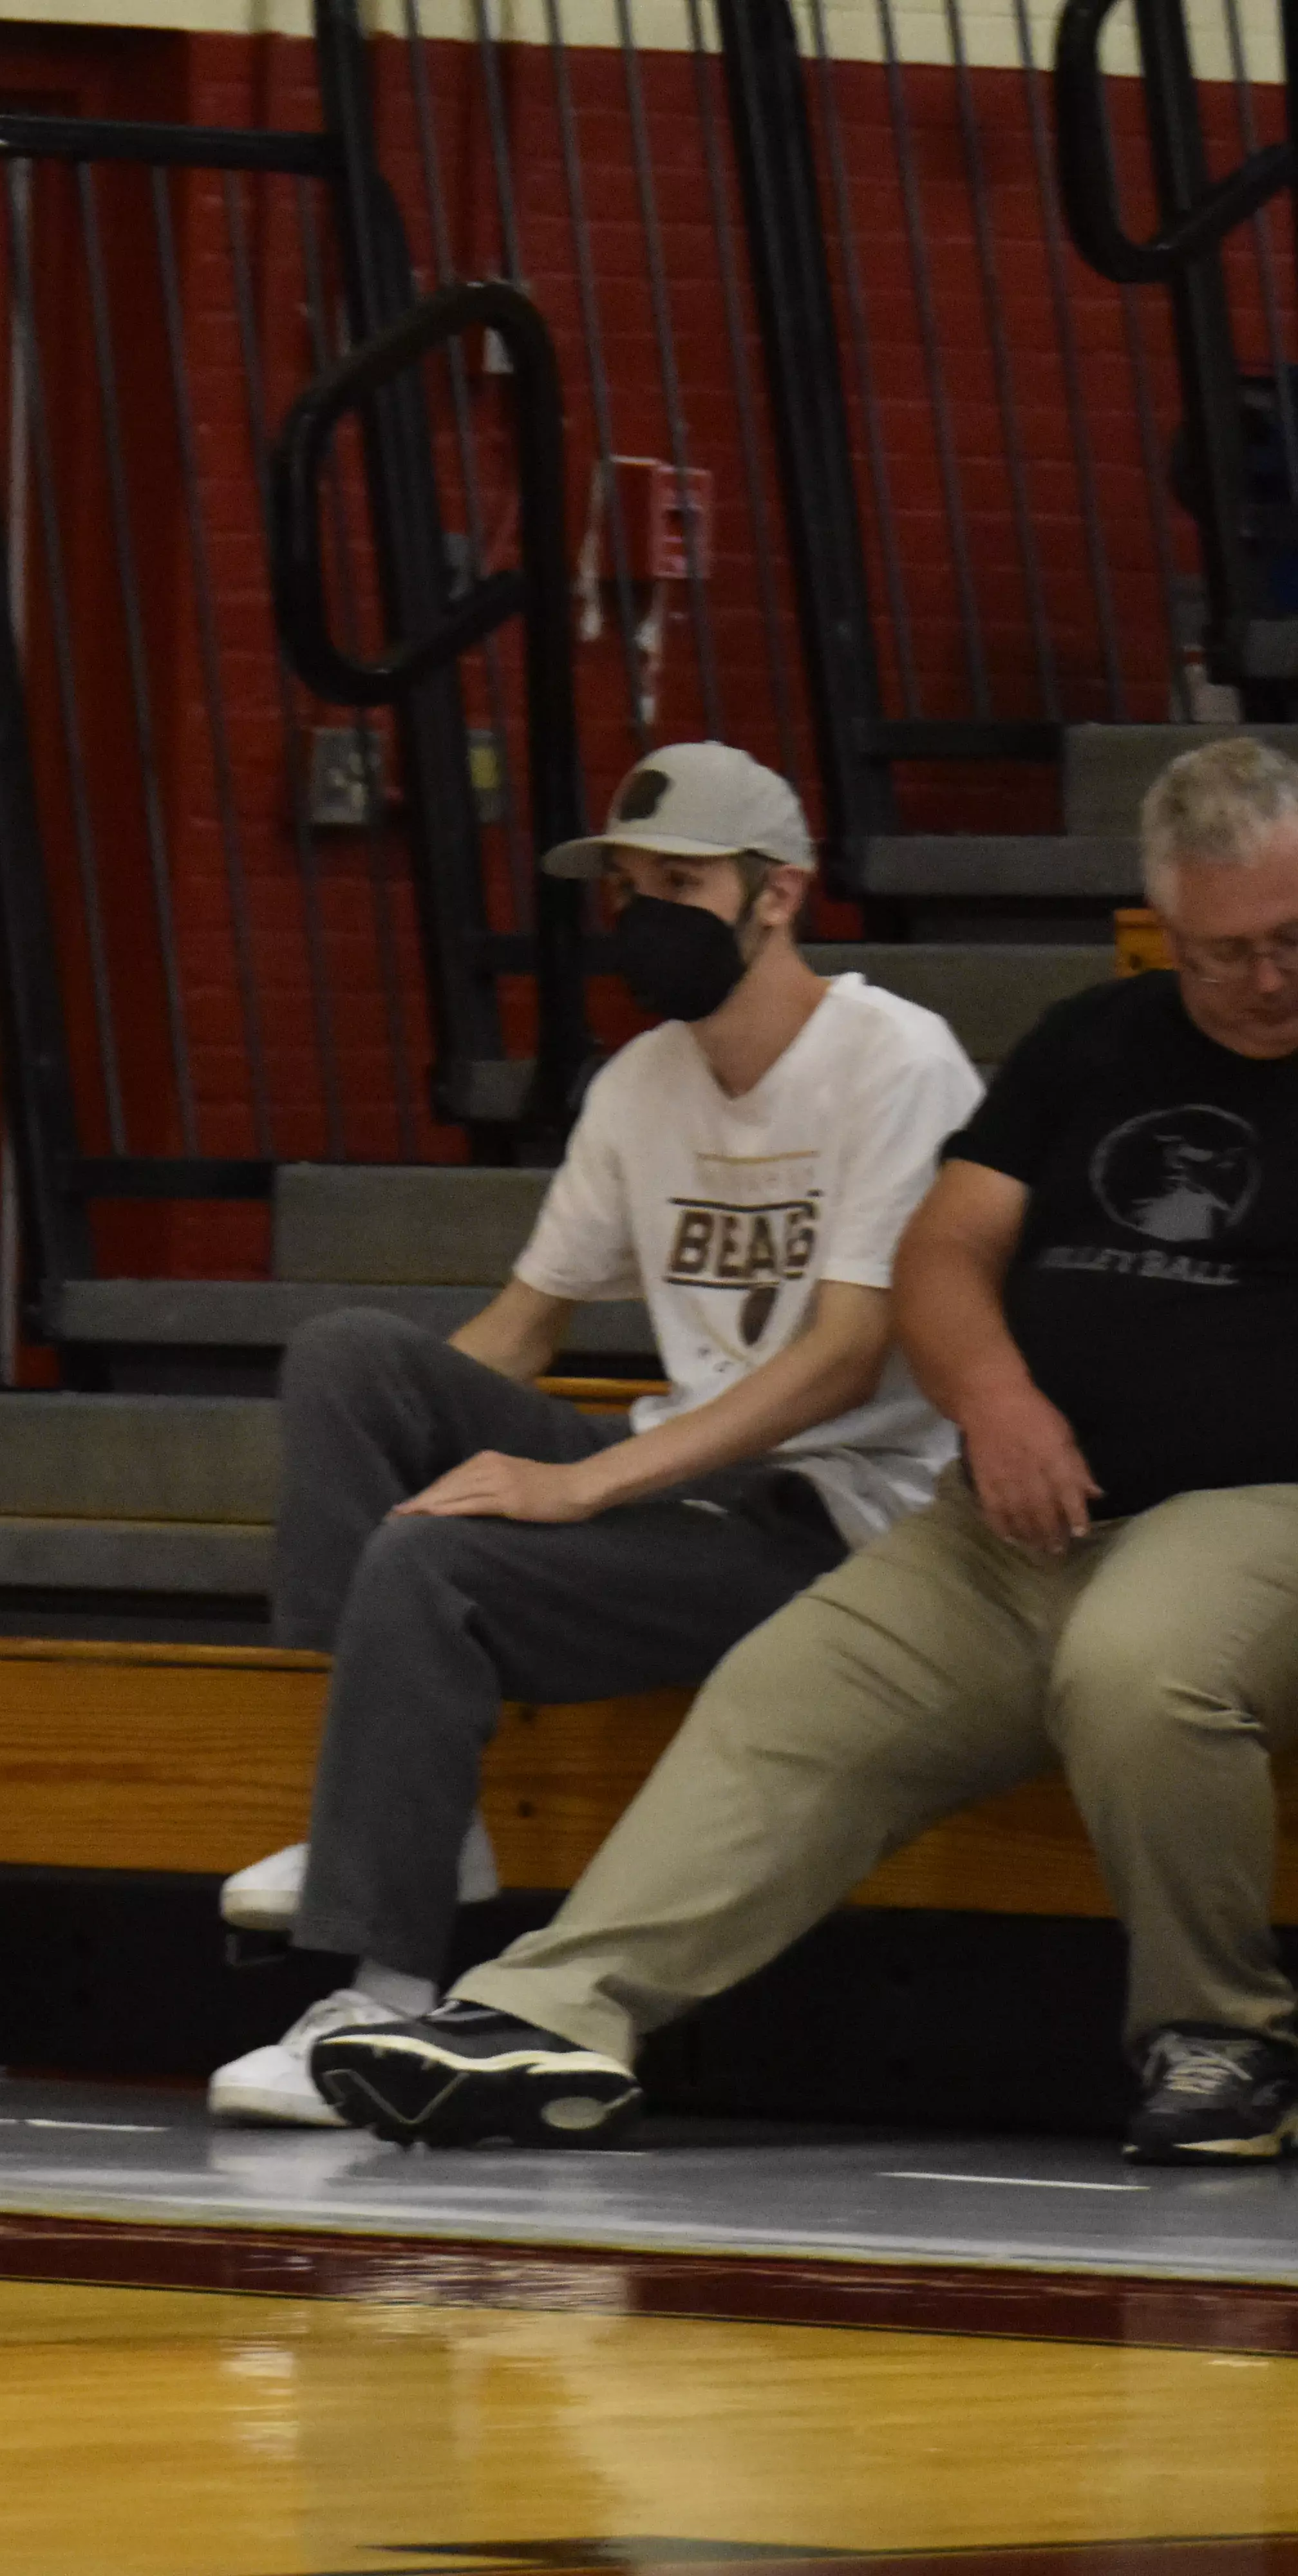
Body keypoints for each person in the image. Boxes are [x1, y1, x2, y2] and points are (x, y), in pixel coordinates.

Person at [315, 735, 1298, 2164]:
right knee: (790, 1686)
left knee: (1139, 1659)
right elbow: (947, 1252)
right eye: (1221, 954)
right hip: (1009, 1517)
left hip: (1255, 1506)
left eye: (1290, 943)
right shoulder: (1096, 1040)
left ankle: (1224, 2036)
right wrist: (1003, 1400)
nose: (1263, 983)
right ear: (1163, 929)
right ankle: (548, 2013)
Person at [207, 743, 979, 2126]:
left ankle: (376, 2000)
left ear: (778, 892)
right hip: (685, 1481)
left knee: (428, 1563)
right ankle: (410, 1820)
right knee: (352, 1364)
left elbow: (849, 1349)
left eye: (680, 882)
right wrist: (441, 1466)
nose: (643, 915)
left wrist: (577, 1486)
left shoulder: (893, 1058)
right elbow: (520, 1327)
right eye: (627, 887)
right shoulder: (639, 1081)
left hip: (840, 1524)